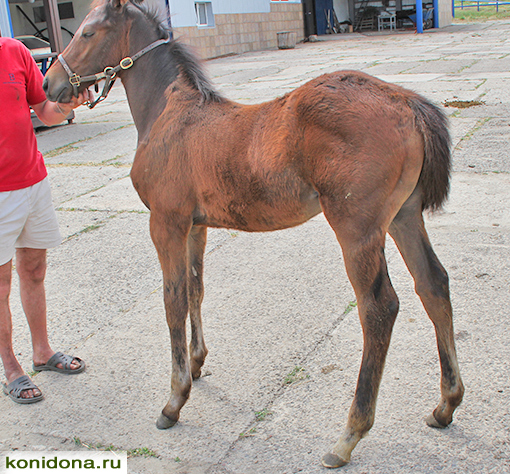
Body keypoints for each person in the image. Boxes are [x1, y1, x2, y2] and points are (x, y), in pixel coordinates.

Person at [0, 33, 92, 404]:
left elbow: (46, 112)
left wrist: (69, 104)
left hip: (33, 181)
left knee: (35, 269)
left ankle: (42, 352)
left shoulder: (14, 51)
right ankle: (10, 367)